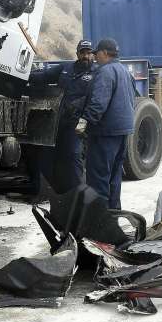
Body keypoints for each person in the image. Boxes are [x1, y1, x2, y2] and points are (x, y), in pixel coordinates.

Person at [28, 40, 96, 193]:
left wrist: (84, 118)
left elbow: (97, 100)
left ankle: (79, 193)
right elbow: (45, 76)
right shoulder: (66, 68)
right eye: (83, 52)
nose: (86, 56)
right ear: (77, 53)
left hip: (79, 122)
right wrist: (25, 75)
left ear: (92, 54)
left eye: (88, 53)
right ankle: (55, 190)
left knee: (73, 155)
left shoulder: (96, 73)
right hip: (59, 120)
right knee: (46, 155)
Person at [76, 37, 135, 209]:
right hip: (122, 132)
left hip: (105, 133)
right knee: (114, 178)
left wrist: (84, 123)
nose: (94, 57)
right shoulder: (125, 71)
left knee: (98, 178)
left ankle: (100, 225)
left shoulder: (105, 72)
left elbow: (98, 103)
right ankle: (113, 216)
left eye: (96, 54)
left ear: (104, 53)